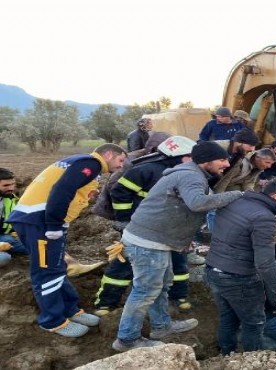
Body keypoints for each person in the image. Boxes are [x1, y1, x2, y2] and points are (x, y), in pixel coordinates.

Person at [112, 141, 243, 352]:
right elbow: (197, 203)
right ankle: (127, 339)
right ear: (206, 160)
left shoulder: (191, 174)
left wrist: (182, 238)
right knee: (145, 291)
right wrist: (237, 195)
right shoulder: (191, 175)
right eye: (222, 160)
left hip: (157, 240)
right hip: (147, 243)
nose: (227, 164)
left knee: (161, 285)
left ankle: (161, 326)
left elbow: (180, 210)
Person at [7, 144, 127, 338]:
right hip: (41, 222)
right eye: (120, 160)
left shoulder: (81, 162)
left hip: (40, 220)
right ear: (108, 154)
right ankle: (52, 321)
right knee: (47, 271)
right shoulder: (91, 163)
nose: (121, 166)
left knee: (57, 267)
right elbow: (62, 190)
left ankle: (70, 310)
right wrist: (54, 224)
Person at [93, 136, 197, 316]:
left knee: (178, 261)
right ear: (181, 156)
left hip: (170, 228)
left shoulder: (183, 173)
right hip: (139, 228)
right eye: (191, 156)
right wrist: (125, 219)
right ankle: (106, 302)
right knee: (124, 262)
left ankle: (178, 297)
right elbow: (119, 191)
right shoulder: (146, 170)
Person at [205, 176, 276, 355]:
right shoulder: (264, 218)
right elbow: (264, 262)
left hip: (213, 269)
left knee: (228, 319)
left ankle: (227, 354)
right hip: (238, 277)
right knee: (254, 323)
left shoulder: (237, 201)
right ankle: (251, 360)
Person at [0, 168, 28, 267]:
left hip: (4, 237)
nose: (11, 188)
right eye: (6, 185)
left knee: (33, 246)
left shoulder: (9, 198)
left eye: (13, 184)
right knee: (3, 258)